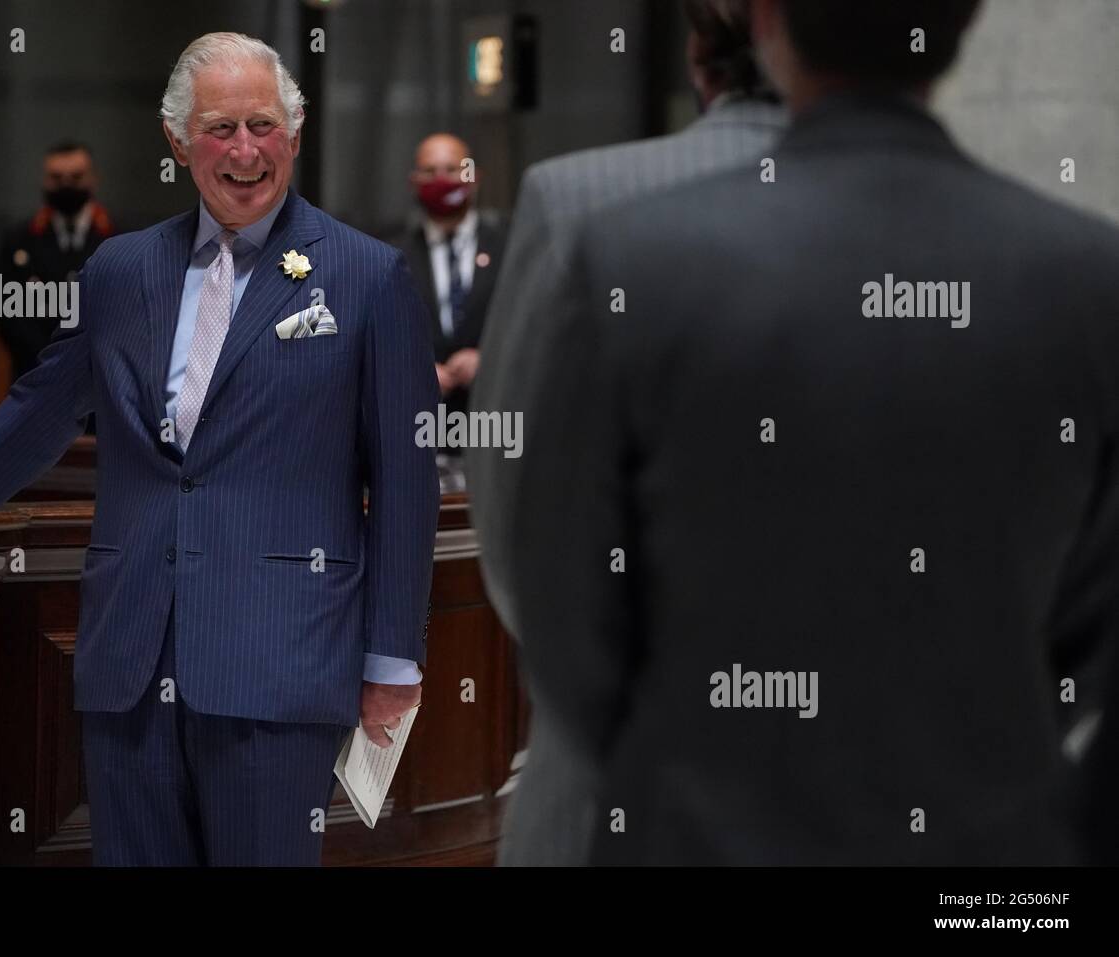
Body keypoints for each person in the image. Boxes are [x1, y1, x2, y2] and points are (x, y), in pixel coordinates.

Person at [477, 0, 1119, 864]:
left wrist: (673, 767)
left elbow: (563, 605)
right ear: (966, 21)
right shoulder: (1087, 277)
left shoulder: (634, 260)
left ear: (769, 21)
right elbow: (1093, 622)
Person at [0, 32, 440, 866]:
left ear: (295, 136)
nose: (243, 150)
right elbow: (43, 409)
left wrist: (392, 660)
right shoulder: (121, 270)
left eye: (262, 125)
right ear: (177, 141)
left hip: (281, 661)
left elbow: (408, 485)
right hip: (131, 658)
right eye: (220, 128)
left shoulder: (371, 278)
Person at [465, 0, 785, 865]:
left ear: (699, 59)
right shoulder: (950, 221)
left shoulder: (576, 198)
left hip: (611, 767)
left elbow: (504, 493)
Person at [386, 134, 506, 448]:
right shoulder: (389, 256)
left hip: (497, 425)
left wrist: (490, 359)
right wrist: (414, 370)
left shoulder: (511, 246)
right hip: (418, 429)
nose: (441, 179)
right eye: (430, 171)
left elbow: (534, 325)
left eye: (452, 169)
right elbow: (377, 337)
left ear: (474, 177)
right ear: (414, 181)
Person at [0, 140, 114, 380]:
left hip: (100, 376)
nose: (66, 185)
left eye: (76, 177)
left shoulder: (118, 238)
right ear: (45, 180)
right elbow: (3, 309)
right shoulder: (18, 241)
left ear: (93, 178)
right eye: (57, 178)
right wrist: (49, 359)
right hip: (35, 373)